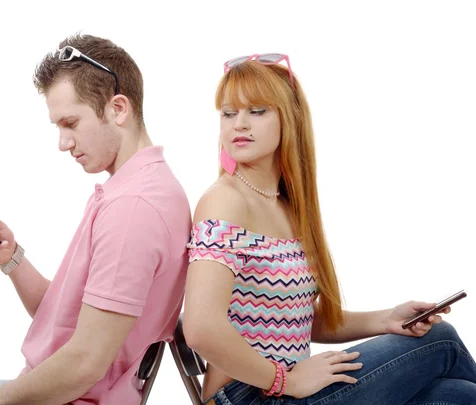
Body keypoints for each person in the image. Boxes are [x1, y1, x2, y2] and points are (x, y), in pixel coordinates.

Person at [0, 33, 191, 405]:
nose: (63, 143)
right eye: (58, 127)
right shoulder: (141, 188)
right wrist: (12, 259)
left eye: (71, 123)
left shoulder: (134, 208)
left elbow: (85, 363)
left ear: (118, 108)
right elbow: (72, 324)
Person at [183, 53, 476, 405]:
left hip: (289, 389)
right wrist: (284, 381)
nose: (238, 124)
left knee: (460, 395)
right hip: (251, 396)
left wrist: (386, 319)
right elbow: (200, 327)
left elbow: (299, 317)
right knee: (440, 340)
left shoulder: (285, 205)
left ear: (289, 119)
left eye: (257, 111)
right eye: (229, 113)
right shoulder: (224, 200)